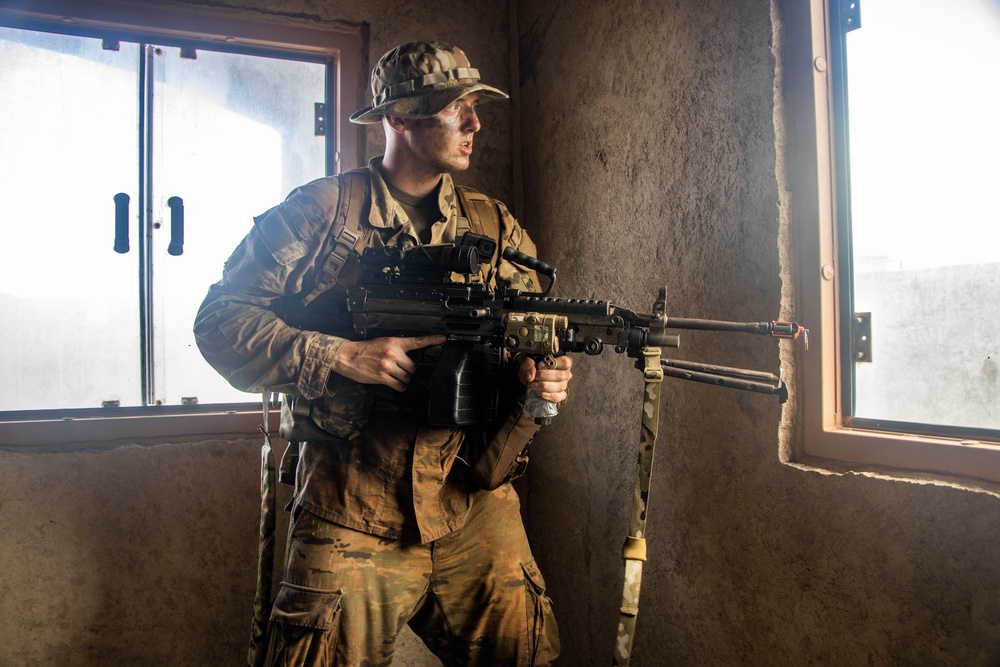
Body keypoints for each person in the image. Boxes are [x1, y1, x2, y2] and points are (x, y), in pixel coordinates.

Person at [194, 41, 572, 666]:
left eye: (475, 107)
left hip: (470, 505)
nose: (474, 124)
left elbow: (540, 327)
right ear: (398, 119)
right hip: (350, 502)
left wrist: (543, 379)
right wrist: (339, 355)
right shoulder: (320, 215)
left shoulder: (491, 225)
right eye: (456, 108)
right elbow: (219, 321)